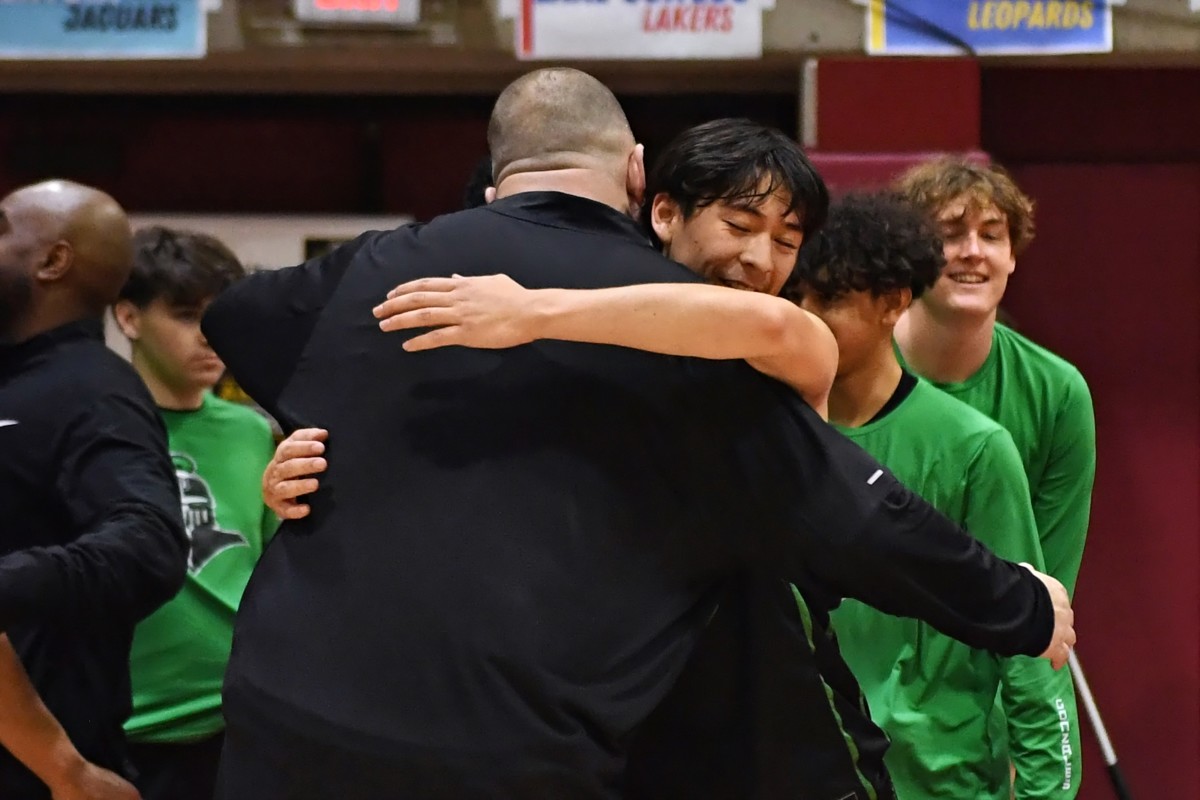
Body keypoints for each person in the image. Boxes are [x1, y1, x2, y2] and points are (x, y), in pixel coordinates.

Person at [204, 69, 1073, 799]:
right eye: (737, 226)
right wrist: (319, 444)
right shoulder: (681, 357)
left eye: (788, 241)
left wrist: (531, 313)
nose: (761, 261)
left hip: (290, 721)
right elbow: (859, 519)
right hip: (544, 738)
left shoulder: (748, 333)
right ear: (649, 196)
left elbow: (242, 318)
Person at [787, 192, 1080, 798]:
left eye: (832, 299)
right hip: (807, 770)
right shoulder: (770, 436)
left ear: (893, 303)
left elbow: (1031, 651)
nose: (807, 317)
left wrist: (1046, 790)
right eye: (798, 297)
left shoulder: (976, 448)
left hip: (944, 781)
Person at [0, 180, 188, 799]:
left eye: (2, 229)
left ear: (53, 261)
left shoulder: (95, 391)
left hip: (42, 770)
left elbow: (150, 542)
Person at [110, 227, 278, 800]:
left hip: (240, 720)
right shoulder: (93, 426)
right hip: (122, 728)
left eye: (219, 315)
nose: (209, 337)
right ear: (129, 319)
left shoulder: (254, 430)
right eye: (185, 315)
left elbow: (275, 571)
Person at [894, 157, 1095, 598]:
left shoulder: (1059, 392)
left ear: (1011, 257)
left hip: (991, 655)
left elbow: (1047, 588)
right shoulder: (847, 366)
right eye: (949, 235)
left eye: (991, 235)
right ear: (910, 252)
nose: (972, 251)